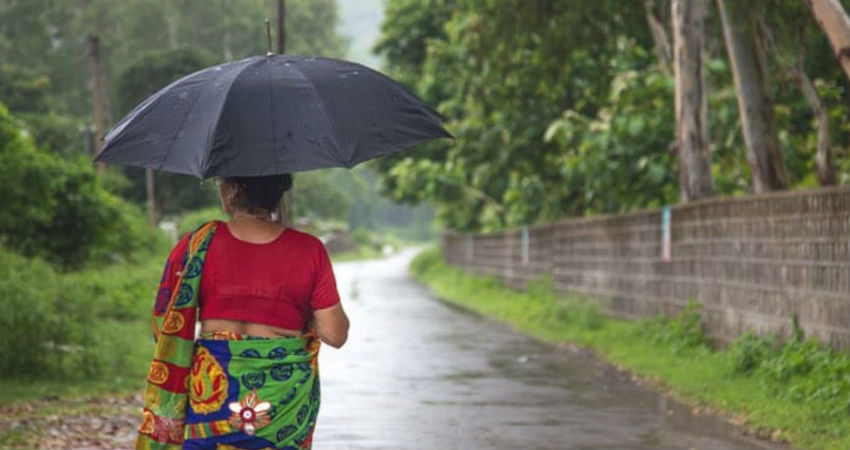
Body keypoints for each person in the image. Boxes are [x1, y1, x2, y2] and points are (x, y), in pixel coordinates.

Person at [136, 174, 349, 450]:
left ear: (232, 191)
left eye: (221, 184)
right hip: (280, 407)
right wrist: (305, 316)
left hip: (211, 402)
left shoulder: (198, 244)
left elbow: (165, 326)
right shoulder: (309, 250)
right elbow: (335, 334)